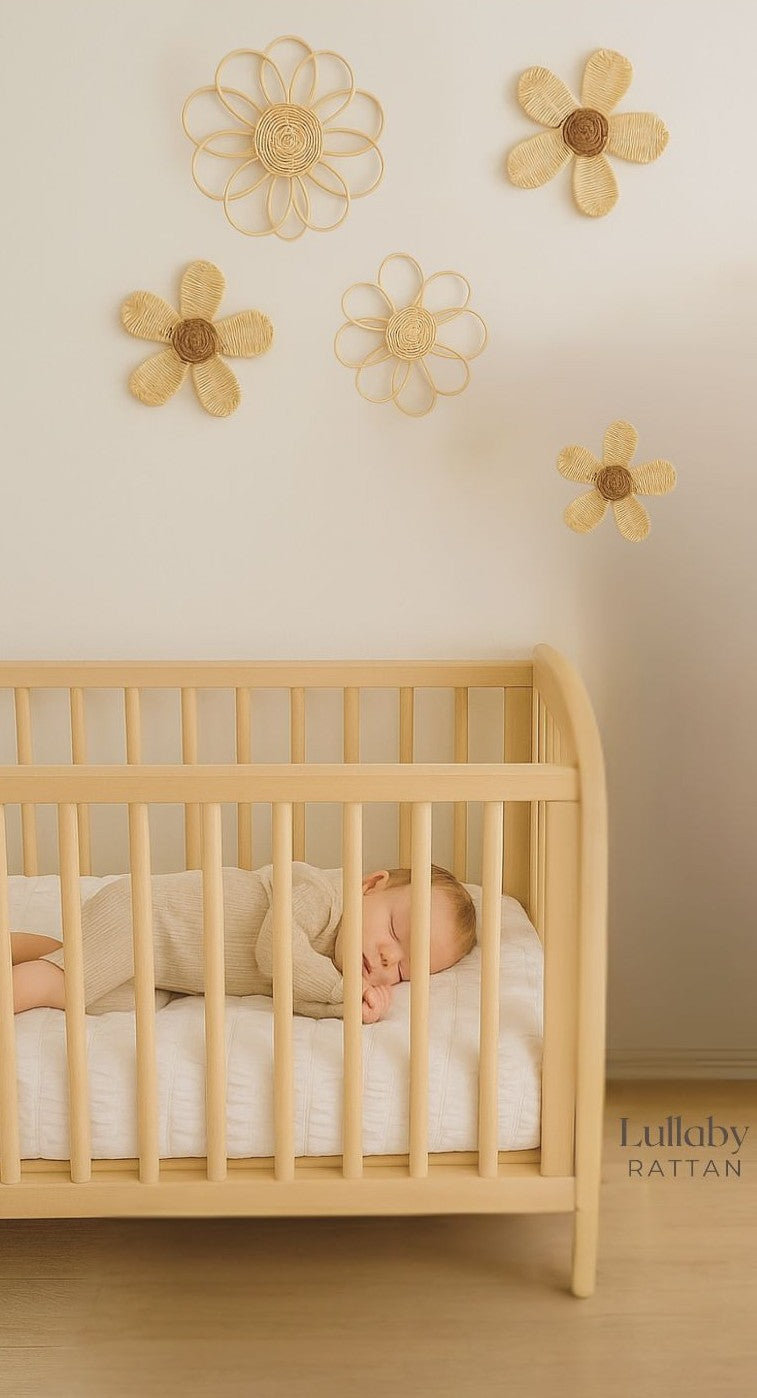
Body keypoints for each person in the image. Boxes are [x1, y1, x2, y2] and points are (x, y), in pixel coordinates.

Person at [9, 861, 477, 1024]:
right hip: (142, 917)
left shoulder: (328, 966)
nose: (387, 958)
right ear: (370, 885)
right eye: (395, 933)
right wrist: (343, 992)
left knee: (111, 995)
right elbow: (276, 952)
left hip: (162, 966)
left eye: (403, 969)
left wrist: (349, 1009)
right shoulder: (319, 895)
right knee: (64, 985)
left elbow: (292, 993)